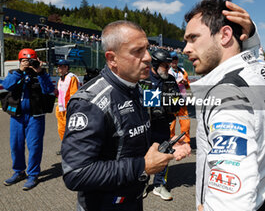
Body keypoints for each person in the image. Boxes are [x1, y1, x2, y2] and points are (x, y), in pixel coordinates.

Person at [61, 20, 190, 211]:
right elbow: (76, 174)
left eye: (147, 49)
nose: (147, 57)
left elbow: (145, 129)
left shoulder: (140, 87)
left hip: (134, 198)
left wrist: (167, 144)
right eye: (137, 51)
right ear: (112, 59)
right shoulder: (89, 103)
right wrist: (142, 167)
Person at [184, 0, 265, 211]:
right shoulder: (264, 73)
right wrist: (250, 34)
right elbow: (254, 57)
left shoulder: (226, 95)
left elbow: (231, 194)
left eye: (193, 38)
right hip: (263, 196)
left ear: (225, 35)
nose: (185, 49)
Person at [2, 48, 55, 190]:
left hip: (35, 116)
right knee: (16, 145)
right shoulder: (14, 73)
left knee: (35, 146)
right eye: (25, 60)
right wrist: (20, 70)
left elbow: (49, 89)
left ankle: (33, 175)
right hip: (17, 116)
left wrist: (40, 72)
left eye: (31, 60)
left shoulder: (40, 74)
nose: (28, 63)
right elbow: (7, 85)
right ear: (20, 61)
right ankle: (19, 172)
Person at [139, 49, 181, 200]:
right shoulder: (142, 78)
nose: (168, 69)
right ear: (155, 64)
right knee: (143, 153)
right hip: (144, 124)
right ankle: (142, 184)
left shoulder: (170, 79)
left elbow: (178, 101)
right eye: (165, 66)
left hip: (163, 123)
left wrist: (174, 101)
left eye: (169, 66)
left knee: (164, 151)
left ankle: (159, 184)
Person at [55, 59, 80, 155]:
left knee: (71, 129)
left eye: (61, 66)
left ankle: (74, 148)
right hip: (60, 108)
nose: (58, 68)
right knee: (61, 129)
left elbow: (74, 93)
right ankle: (65, 147)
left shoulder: (71, 77)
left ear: (66, 67)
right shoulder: (60, 79)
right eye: (58, 66)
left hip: (68, 108)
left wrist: (72, 107)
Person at [168, 52, 191, 144]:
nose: (174, 61)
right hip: (170, 100)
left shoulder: (183, 71)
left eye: (175, 59)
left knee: (185, 122)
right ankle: (170, 141)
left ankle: (186, 141)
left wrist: (185, 83)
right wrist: (176, 83)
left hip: (182, 100)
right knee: (171, 123)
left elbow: (188, 87)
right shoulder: (166, 71)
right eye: (172, 59)